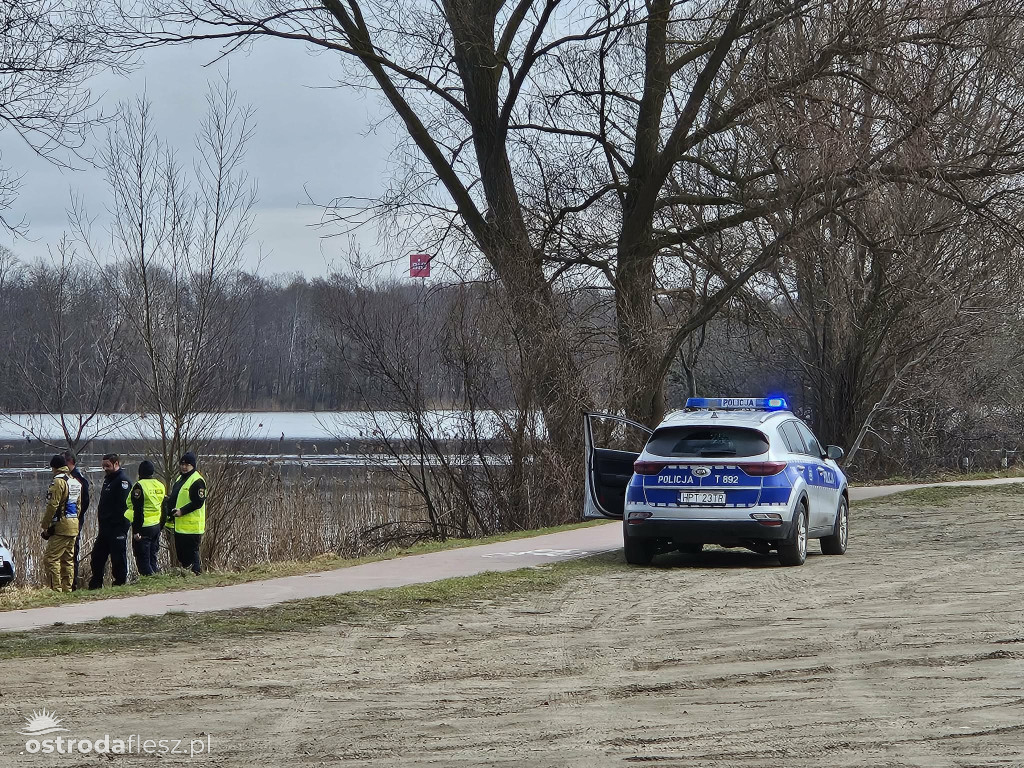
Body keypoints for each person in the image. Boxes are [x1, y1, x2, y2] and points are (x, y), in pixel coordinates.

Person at [88, 453, 132, 589]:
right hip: (105, 528)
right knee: (97, 557)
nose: (105, 469)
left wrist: (120, 526)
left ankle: (120, 583)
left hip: (117, 527)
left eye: (107, 466)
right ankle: (96, 584)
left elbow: (124, 507)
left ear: (116, 464)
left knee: (118, 558)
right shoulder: (108, 480)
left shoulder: (122, 481)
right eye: (103, 466)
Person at [40, 455, 82, 592]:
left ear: (54, 467)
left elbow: (53, 505)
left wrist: (45, 524)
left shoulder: (58, 482)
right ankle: (67, 589)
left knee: (50, 559)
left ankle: (55, 589)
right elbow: (78, 506)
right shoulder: (75, 481)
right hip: (74, 525)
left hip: (61, 526)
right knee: (68, 560)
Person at [168, 451, 207, 574]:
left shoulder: (197, 481)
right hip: (180, 525)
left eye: (187, 465)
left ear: (193, 466)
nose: (184, 467)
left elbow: (198, 502)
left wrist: (182, 511)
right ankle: (187, 575)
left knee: (191, 555)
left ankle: (195, 575)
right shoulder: (180, 478)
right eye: (182, 464)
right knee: (182, 556)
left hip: (192, 526)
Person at [127, 460, 166, 577]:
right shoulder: (160, 485)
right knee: (152, 556)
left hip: (143, 527)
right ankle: (155, 579)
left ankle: (150, 581)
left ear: (140, 473)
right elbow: (164, 507)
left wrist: (136, 531)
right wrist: (161, 526)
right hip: (156, 525)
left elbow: (138, 511)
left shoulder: (139, 486)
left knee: (143, 560)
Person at [62, 450, 90, 591]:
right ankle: (66, 584)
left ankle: (72, 585)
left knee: (72, 552)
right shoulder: (65, 478)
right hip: (66, 521)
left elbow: (85, 502)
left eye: (63, 463)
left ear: (70, 462)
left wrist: (76, 518)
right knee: (66, 553)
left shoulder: (77, 479)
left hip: (74, 522)